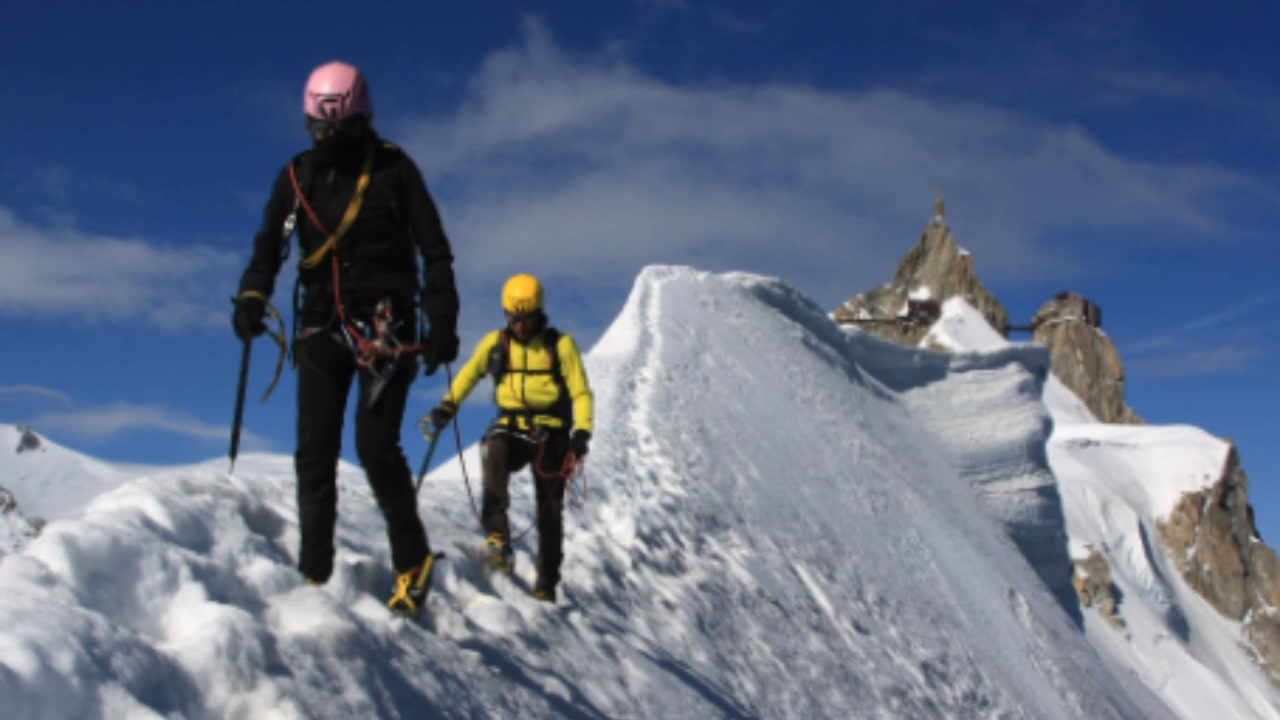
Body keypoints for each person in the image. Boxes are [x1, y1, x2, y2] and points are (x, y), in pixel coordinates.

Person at [232, 61, 460, 616]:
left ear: (359, 117)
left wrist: (442, 321)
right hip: (320, 328)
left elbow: (434, 251)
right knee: (315, 451)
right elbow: (268, 250)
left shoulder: (394, 171)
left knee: (375, 447)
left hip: (390, 330)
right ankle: (314, 574)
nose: (329, 138)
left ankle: (412, 561)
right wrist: (251, 296)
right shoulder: (295, 179)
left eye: (338, 127)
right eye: (321, 128)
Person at [426, 273, 592, 603]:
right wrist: (447, 406)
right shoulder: (495, 344)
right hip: (513, 425)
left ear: (538, 313)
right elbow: (470, 373)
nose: (519, 325)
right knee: (495, 448)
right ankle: (497, 537)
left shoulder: (560, 346)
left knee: (550, 509)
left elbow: (581, 391)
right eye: (513, 317)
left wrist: (582, 432)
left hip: (552, 433)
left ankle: (546, 582)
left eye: (525, 318)